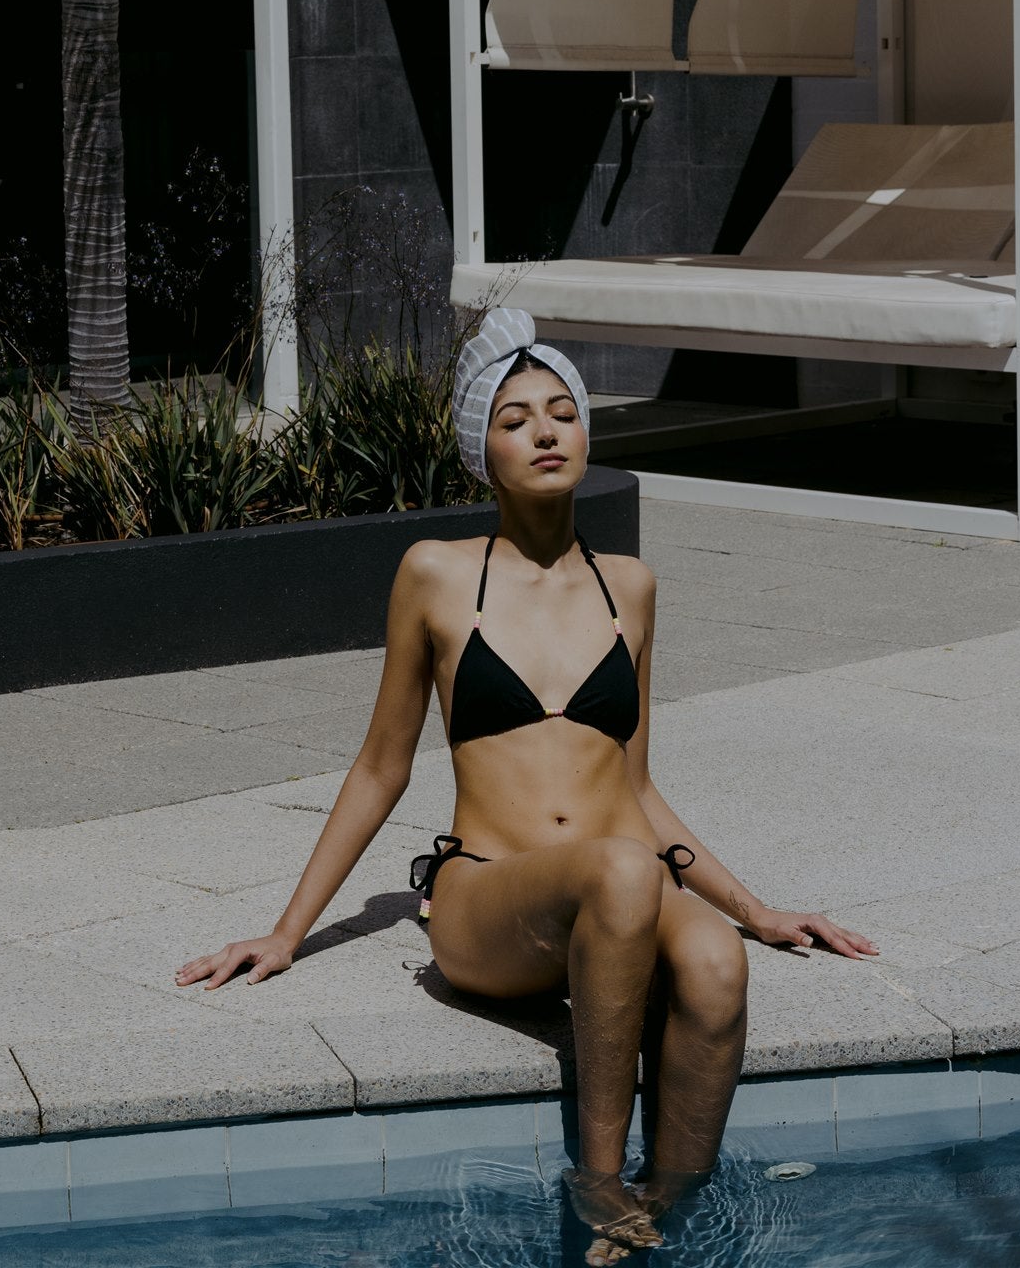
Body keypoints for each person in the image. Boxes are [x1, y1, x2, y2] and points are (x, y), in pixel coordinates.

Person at [176, 307, 878, 1263]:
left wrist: (756, 908)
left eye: (562, 413)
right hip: (489, 903)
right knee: (626, 876)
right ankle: (595, 1182)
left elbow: (635, 785)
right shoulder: (434, 575)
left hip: (615, 894)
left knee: (715, 961)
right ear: (482, 451)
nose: (545, 432)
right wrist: (287, 932)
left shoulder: (631, 585)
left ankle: (666, 1215)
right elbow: (384, 762)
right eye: (515, 420)